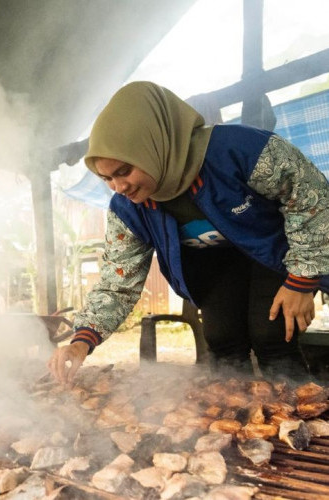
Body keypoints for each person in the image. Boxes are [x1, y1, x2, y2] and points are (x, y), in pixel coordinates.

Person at [49, 81, 329, 384]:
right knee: (222, 340)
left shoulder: (243, 151)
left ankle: (297, 417)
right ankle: (237, 418)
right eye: (107, 179)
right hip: (214, 264)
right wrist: (81, 341)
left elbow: (313, 201)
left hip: (274, 253)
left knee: (272, 334)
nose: (119, 187)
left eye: (124, 171)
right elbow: (118, 281)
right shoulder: (127, 208)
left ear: (153, 147)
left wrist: (302, 281)